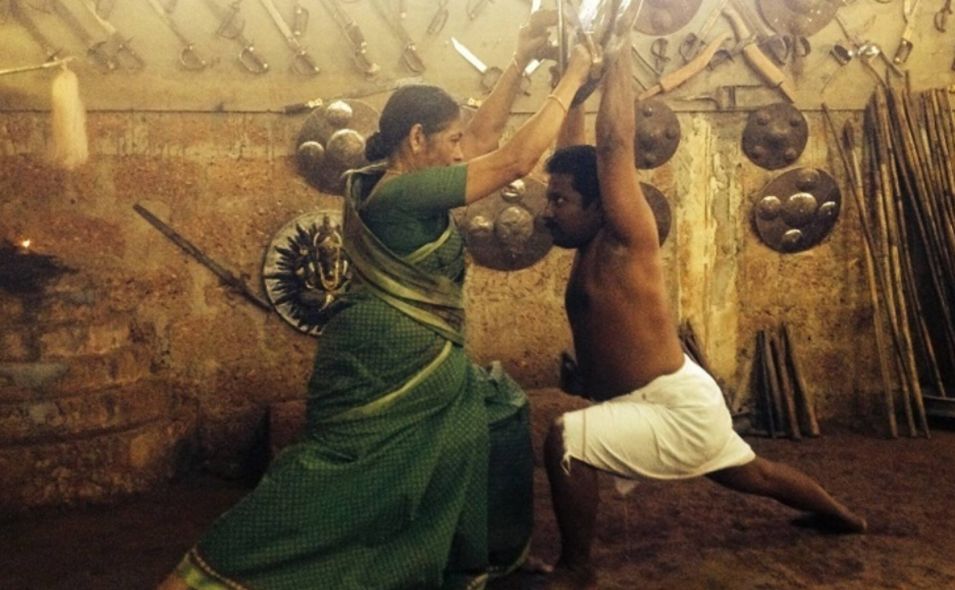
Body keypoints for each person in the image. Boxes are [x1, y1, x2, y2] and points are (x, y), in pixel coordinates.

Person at [158, 13, 596, 590]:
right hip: (389, 364)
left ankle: (475, 559)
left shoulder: (376, 177)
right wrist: (574, 77)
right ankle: (213, 572)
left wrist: (521, 59)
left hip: (406, 357)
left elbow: (482, 142)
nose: (459, 151)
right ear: (416, 139)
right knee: (338, 479)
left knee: (489, 418)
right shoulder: (402, 193)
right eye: (449, 140)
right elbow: (513, 161)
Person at [537, 36, 867, 590]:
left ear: (598, 205)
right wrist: (574, 88)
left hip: (674, 407)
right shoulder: (588, 237)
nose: (548, 212)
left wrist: (619, 50)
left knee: (567, 438)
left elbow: (613, 145)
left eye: (559, 201)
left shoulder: (625, 236)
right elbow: (580, 155)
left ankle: (576, 568)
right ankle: (844, 517)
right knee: (752, 474)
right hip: (664, 398)